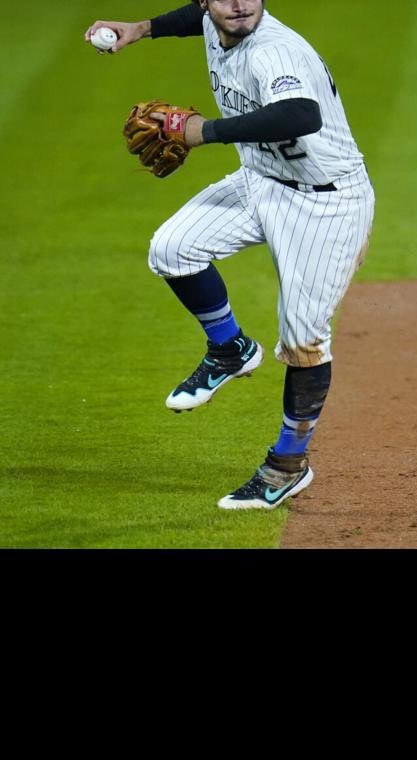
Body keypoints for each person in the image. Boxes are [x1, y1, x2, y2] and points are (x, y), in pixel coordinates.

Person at [85, 0, 374, 509]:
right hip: (261, 181)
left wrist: (205, 131)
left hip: (326, 203)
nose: (239, 4)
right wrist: (140, 29)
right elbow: (190, 21)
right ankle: (230, 349)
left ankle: (287, 465)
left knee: (304, 340)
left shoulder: (274, 51)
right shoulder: (212, 22)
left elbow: (300, 114)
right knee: (172, 249)